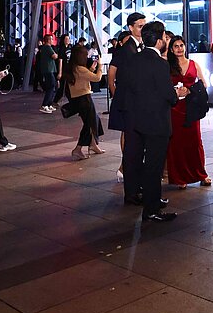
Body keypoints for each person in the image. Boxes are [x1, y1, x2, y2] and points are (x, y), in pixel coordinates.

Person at [119, 21, 183, 222]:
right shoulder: (160, 64)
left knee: (141, 162)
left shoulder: (134, 59)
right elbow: (168, 95)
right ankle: (152, 209)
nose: (166, 41)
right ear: (158, 40)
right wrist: (177, 94)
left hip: (137, 120)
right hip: (157, 122)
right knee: (154, 166)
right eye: (164, 37)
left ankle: (150, 199)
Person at [165, 36, 211, 187]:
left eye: (181, 45)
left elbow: (204, 84)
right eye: (176, 46)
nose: (179, 48)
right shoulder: (167, 66)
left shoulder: (194, 64)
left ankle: (201, 174)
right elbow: (162, 86)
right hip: (175, 109)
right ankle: (180, 178)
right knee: (176, 143)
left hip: (192, 108)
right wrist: (175, 91)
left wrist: (190, 90)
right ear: (171, 49)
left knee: (195, 141)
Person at [108, 14, 147, 185]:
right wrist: (115, 93)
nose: (143, 29)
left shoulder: (140, 46)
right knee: (129, 134)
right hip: (128, 100)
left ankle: (128, 168)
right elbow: (112, 73)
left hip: (136, 100)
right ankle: (126, 167)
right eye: (140, 26)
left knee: (133, 135)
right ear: (131, 28)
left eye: (144, 26)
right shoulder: (126, 49)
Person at [64, 43, 105, 160]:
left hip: (78, 99)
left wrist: (91, 68)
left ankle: (93, 144)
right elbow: (97, 78)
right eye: (85, 55)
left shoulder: (73, 68)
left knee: (93, 121)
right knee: (89, 125)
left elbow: (82, 78)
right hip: (84, 99)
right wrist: (100, 66)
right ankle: (78, 149)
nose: (87, 57)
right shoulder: (80, 69)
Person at [36, 33, 60, 113]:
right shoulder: (47, 47)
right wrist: (56, 55)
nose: (52, 40)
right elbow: (54, 56)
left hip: (48, 70)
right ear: (48, 40)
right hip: (48, 70)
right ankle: (44, 105)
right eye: (51, 39)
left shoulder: (44, 48)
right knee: (51, 86)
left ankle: (49, 104)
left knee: (52, 86)